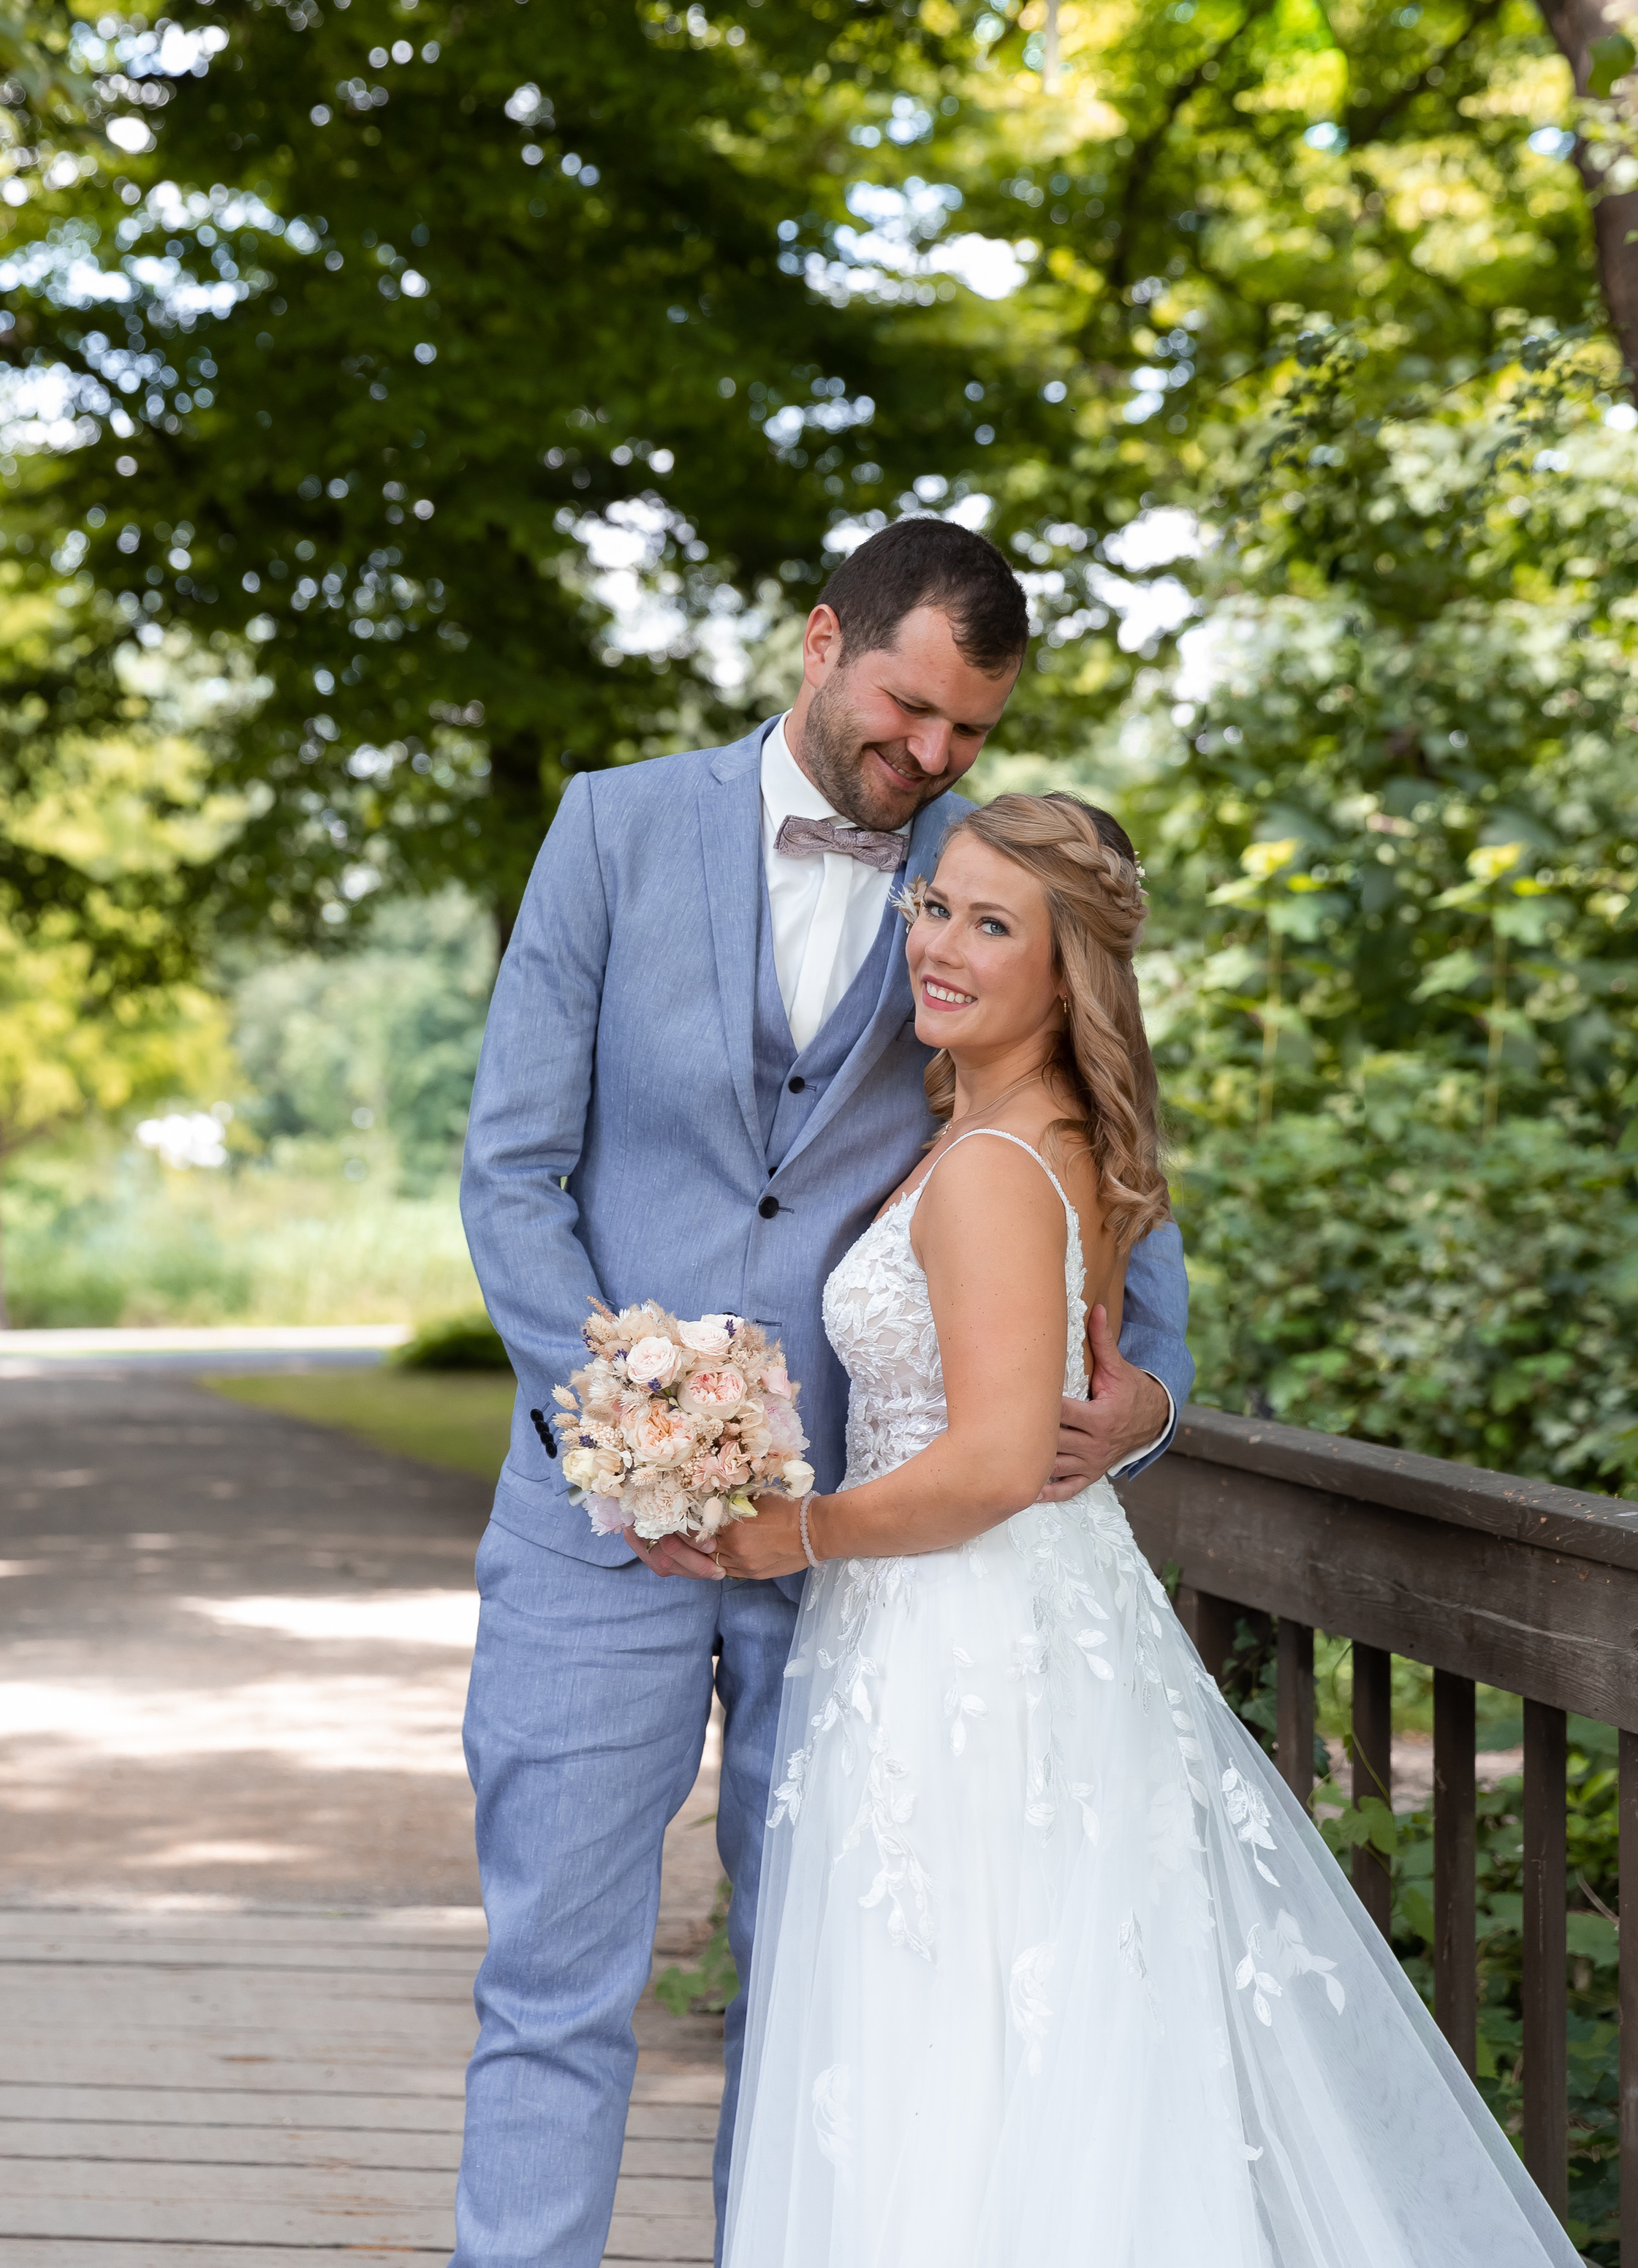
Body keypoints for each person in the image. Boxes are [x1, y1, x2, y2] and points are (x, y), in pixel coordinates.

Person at [452, 519, 1197, 2268]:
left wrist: (1146, 1405)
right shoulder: (610, 831)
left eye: (969, 733)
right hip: (590, 1538)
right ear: (818, 640)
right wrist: (627, 1430)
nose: (931, 759)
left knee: (826, 2011)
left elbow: (1120, 1178)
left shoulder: (987, 886)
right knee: (553, 1985)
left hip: (866, 1564)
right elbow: (509, 1174)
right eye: (910, 708)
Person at [710, 794, 1573, 2268]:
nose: (941, 944)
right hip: (1002, 1629)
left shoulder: (988, 1166)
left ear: (1067, 976)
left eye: (992, 925)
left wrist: (789, 1535)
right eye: (935, 907)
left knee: (960, 2052)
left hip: (958, 1643)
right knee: (1030, 2050)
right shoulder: (1020, 1133)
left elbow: (987, 1460)